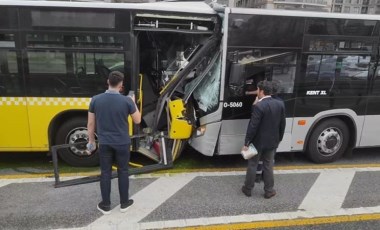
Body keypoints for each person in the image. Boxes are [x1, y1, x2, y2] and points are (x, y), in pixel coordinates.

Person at [87, 71, 141, 215]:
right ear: (121, 85)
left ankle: (105, 205)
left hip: (104, 143)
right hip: (123, 143)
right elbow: (138, 120)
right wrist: (133, 102)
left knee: (105, 173)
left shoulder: (95, 100)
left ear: (108, 82)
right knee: (123, 171)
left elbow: (91, 123)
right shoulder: (127, 101)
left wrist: (91, 141)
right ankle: (124, 203)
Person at [241, 80, 286, 199]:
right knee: (268, 165)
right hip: (273, 141)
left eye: (257, 90)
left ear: (261, 91)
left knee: (252, 164)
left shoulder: (259, 106)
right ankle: (269, 191)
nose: (256, 92)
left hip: (257, 142)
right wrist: (279, 139)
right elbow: (282, 124)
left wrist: (247, 142)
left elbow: (253, 126)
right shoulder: (280, 104)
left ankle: (248, 189)